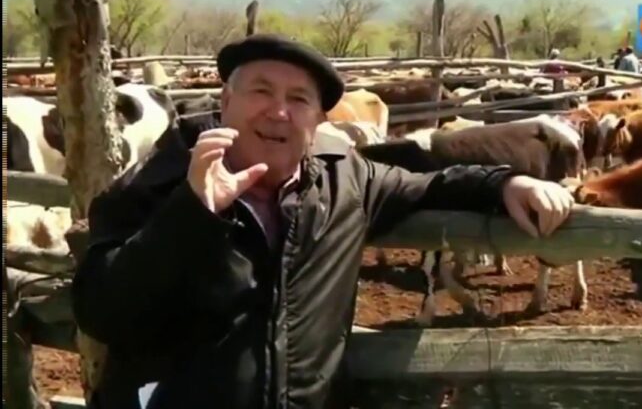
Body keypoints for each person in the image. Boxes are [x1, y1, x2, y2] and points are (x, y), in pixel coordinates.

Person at [71, 34, 575, 409]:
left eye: (299, 100)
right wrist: (192, 212)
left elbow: (435, 183)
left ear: (317, 122)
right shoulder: (153, 187)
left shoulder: (346, 185)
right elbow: (103, 312)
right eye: (260, 92)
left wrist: (508, 183)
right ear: (225, 103)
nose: (279, 112)